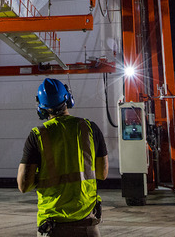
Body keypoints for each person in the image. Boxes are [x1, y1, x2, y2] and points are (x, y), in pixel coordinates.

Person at [17, 78, 109, 236]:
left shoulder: (37, 135)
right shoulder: (89, 128)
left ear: (42, 107)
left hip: (53, 227)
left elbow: (24, 185)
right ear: (68, 99)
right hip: (87, 225)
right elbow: (102, 173)